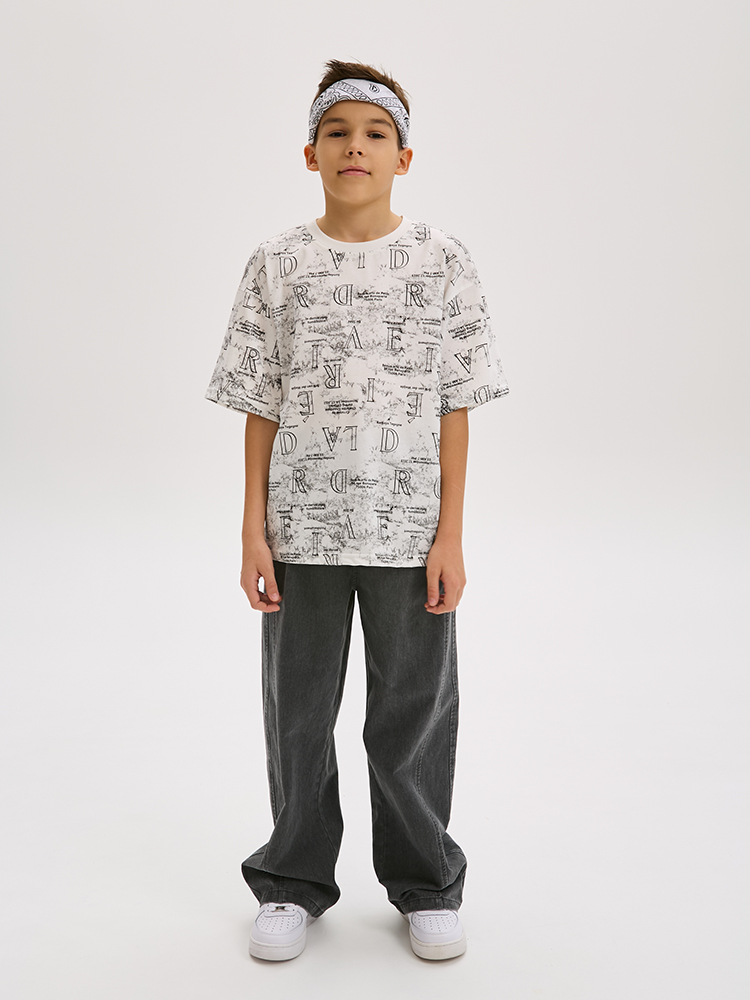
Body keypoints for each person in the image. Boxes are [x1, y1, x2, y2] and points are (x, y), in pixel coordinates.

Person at [206, 60, 509, 962]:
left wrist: (451, 534)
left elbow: (456, 404)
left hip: (409, 534)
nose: (355, 147)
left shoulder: (443, 261)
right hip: (301, 531)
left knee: (412, 713)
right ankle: (292, 881)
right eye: (337, 131)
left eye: (376, 134)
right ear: (310, 153)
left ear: (403, 157)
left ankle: (426, 883)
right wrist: (253, 528)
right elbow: (260, 401)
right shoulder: (278, 263)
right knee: (298, 712)